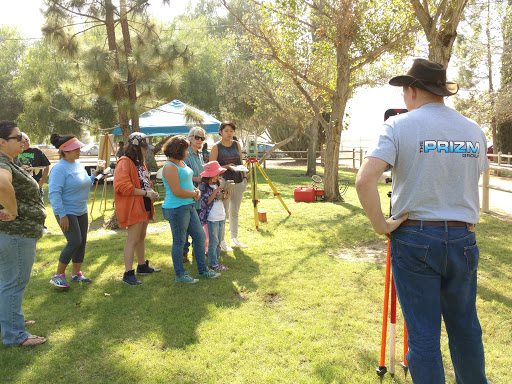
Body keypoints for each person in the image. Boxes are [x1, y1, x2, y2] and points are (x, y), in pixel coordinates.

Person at [355, 58, 489, 384]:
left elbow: (364, 180)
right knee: (465, 327)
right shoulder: (473, 130)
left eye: (404, 92)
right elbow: (473, 174)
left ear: (412, 90)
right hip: (463, 239)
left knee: (424, 335)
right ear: (441, 91)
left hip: (415, 239)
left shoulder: (398, 126)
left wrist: (381, 225)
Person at [0, 121, 46, 346]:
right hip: (15, 235)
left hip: (14, 234)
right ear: (2, 142)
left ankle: (10, 319)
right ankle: (14, 335)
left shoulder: (9, 161)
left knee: (8, 281)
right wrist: (13, 211)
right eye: (16, 137)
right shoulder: (1, 162)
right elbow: (1, 184)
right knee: (14, 282)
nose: (22, 140)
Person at [161, 136, 220, 283]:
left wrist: (196, 191)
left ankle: (203, 271)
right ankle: (180, 275)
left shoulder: (180, 163)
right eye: (186, 149)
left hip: (189, 205)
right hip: (176, 208)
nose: (188, 151)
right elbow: (176, 191)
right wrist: (195, 193)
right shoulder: (169, 167)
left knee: (199, 236)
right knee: (179, 241)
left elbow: (186, 182)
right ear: (178, 150)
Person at [48, 133, 100, 289]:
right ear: (65, 151)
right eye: (75, 149)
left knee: (82, 242)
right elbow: (54, 193)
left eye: (79, 148)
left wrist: (95, 177)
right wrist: (61, 214)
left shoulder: (78, 165)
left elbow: (84, 183)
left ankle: (76, 274)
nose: (79, 151)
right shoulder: (58, 169)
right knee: (74, 241)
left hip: (81, 210)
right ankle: (58, 276)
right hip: (66, 211)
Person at [114, 132, 161, 286]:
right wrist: (146, 193)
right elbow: (122, 187)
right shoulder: (125, 162)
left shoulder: (140, 162)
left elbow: (143, 182)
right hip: (134, 206)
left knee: (141, 237)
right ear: (135, 146)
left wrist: (151, 192)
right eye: (144, 147)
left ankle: (141, 266)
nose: (146, 150)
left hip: (144, 204)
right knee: (132, 239)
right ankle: (128, 273)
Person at [209, 121, 248, 251]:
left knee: (235, 212)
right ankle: (222, 242)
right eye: (226, 131)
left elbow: (241, 162)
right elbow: (212, 168)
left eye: (231, 131)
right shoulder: (216, 147)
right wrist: (226, 167)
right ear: (220, 132)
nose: (229, 133)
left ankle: (235, 239)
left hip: (238, 180)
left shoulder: (237, 144)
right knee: (223, 213)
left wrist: (245, 177)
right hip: (224, 182)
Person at [199, 161, 231, 271]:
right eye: (216, 174)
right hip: (212, 218)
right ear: (210, 175)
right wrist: (216, 191)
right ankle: (213, 263)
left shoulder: (218, 183)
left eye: (219, 174)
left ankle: (216, 262)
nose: (218, 176)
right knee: (214, 242)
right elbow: (207, 201)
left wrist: (226, 196)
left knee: (219, 242)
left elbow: (220, 200)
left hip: (221, 215)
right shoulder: (204, 186)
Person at [16, 132, 51, 234]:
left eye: (27, 140)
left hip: (35, 184)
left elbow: (47, 166)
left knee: (39, 206)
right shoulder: (16, 153)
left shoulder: (36, 151)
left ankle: (42, 227)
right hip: (20, 186)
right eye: (24, 141)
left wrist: (42, 181)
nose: (26, 143)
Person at [182, 127, 206, 263]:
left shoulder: (200, 154)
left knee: (198, 227)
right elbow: (182, 175)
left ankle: (197, 251)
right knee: (186, 227)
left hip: (199, 197)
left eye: (202, 138)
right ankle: (183, 253)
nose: (199, 140)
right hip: (189, 195)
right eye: (197, 137)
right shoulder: (185, 154)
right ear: (190, 138)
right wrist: (198, 179)